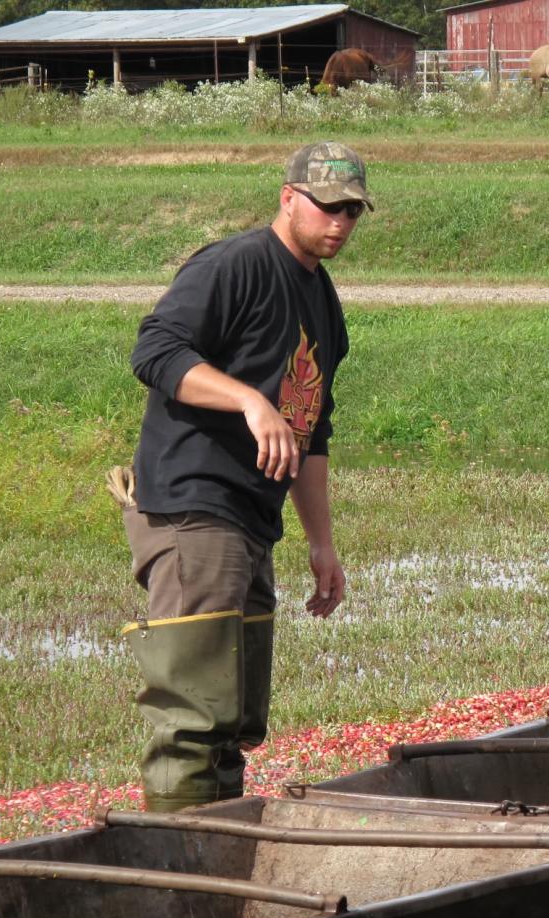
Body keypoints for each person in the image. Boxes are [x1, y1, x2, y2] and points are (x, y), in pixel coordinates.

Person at [112, 142, 372, 812]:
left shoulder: (322, 299)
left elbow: (313, 429)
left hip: (250, 520)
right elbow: (156, 350)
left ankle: (219, 852)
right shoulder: (236, 265)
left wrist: (322, 543)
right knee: (195, 719)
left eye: (352, 211)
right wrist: (250, 401)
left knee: (233, 720)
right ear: (288, 198)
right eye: (327, 207)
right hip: (196, 504)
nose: (339, 223)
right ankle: (184, 871)